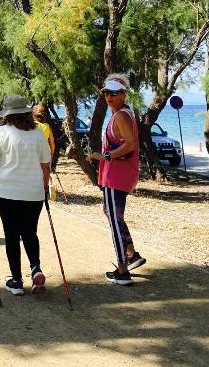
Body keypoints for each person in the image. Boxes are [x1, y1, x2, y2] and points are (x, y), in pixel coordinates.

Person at [0, 95, 51, 296]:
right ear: (26, 113)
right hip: (34, 193)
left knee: (11, 234)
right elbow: (46, 166)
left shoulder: (2, 132)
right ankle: (35, 268)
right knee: (30, 232)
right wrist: (44, 187)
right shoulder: (38, 134)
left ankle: (16, 281)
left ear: (7, 114)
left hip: (7, 193)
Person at [87, 74, 145, 285]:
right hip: (118, 175)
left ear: (123, 95)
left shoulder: (121, 115)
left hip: (117, 175)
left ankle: (122, 270)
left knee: (114, 220)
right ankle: (131, 254)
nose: (109, 97)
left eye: (114, 93)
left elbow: (130, 145)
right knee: (113, 214)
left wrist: (106, 156)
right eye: (106, 93)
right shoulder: (123, 113)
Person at [33, 105, 57, 200]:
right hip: (45, 151)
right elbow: (52, 142)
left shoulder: (31, 126)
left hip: (34, 152)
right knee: (46, 171)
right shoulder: (47, 126)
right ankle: (49, 185)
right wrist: (52, 153)